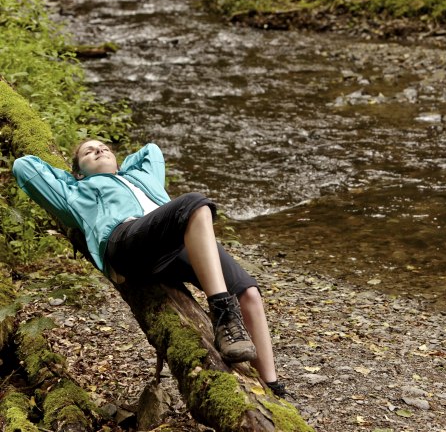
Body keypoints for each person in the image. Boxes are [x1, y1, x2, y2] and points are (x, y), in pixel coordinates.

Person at [12, 140, 286, 397]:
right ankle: (224, 316)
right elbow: (24, 166)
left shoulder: (143, 178)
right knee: (194, 203)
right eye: (88, 152)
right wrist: (71, 179)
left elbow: (151, 151)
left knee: (248, 292)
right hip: (125, 244)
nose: (98, 151)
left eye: (104, 148)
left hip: (174, 242)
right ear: (79, 172)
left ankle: (271, 384)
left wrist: (122, 172)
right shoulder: (75, 191)